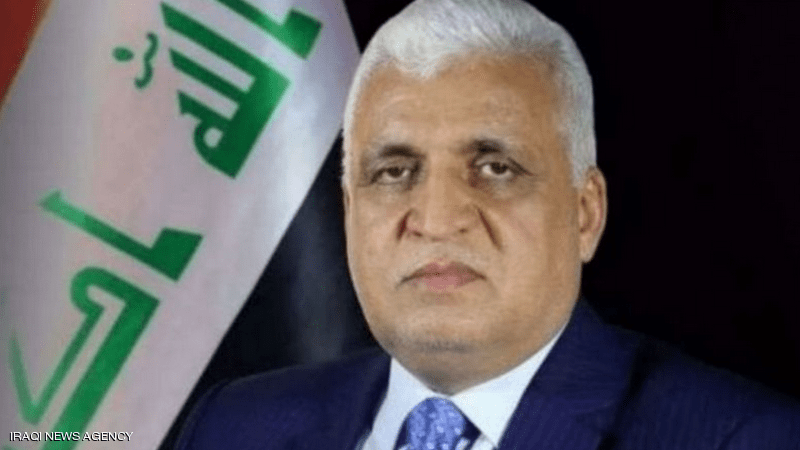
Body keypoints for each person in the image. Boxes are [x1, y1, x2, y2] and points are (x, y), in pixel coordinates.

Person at [175, 0, 800, 449]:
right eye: (394, 172)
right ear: (348, 213)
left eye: (496, 167)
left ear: (585, 214)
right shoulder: (232, 426)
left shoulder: (741, 437)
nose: (437, 220)